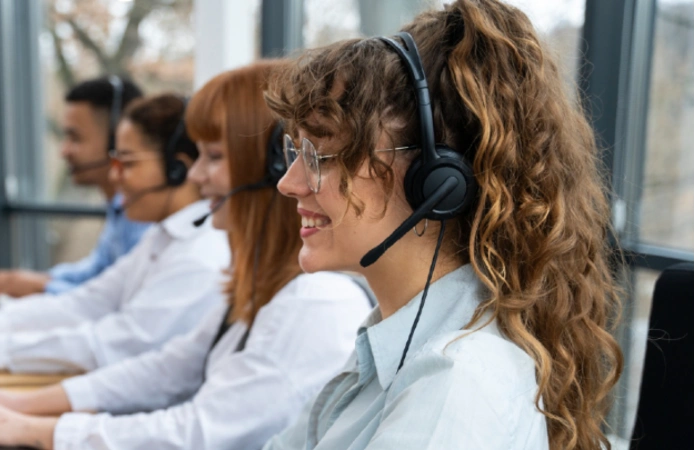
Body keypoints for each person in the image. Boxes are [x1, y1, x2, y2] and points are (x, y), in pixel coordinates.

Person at [0, 61, 373, 450]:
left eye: (213, 156)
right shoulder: (266, 285)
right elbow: (167, 370)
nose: (195, 173)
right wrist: (12, 405)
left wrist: (31, 428)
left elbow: (198, 432)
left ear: (274, 169)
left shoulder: (313, 304)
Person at [262, 1, 623, 449]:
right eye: (295, 151)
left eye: (319, 154)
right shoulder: (392, 347)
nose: (288, 183)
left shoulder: (454, 387)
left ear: (437, 183)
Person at [0, 94, 230, 374]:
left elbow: (115, 344)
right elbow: (85, 304)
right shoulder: (164, 236)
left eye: (127, 163)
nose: (115, 178)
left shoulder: (198, 257)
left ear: (178, 169)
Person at [0, 76, 151, 303]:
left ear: (117, 141)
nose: (64, 151)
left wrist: (42, 286)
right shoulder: (120, 207)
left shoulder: (144, 217)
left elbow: (116, 303)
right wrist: (39, 279)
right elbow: (95, 272)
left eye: (75, 138)